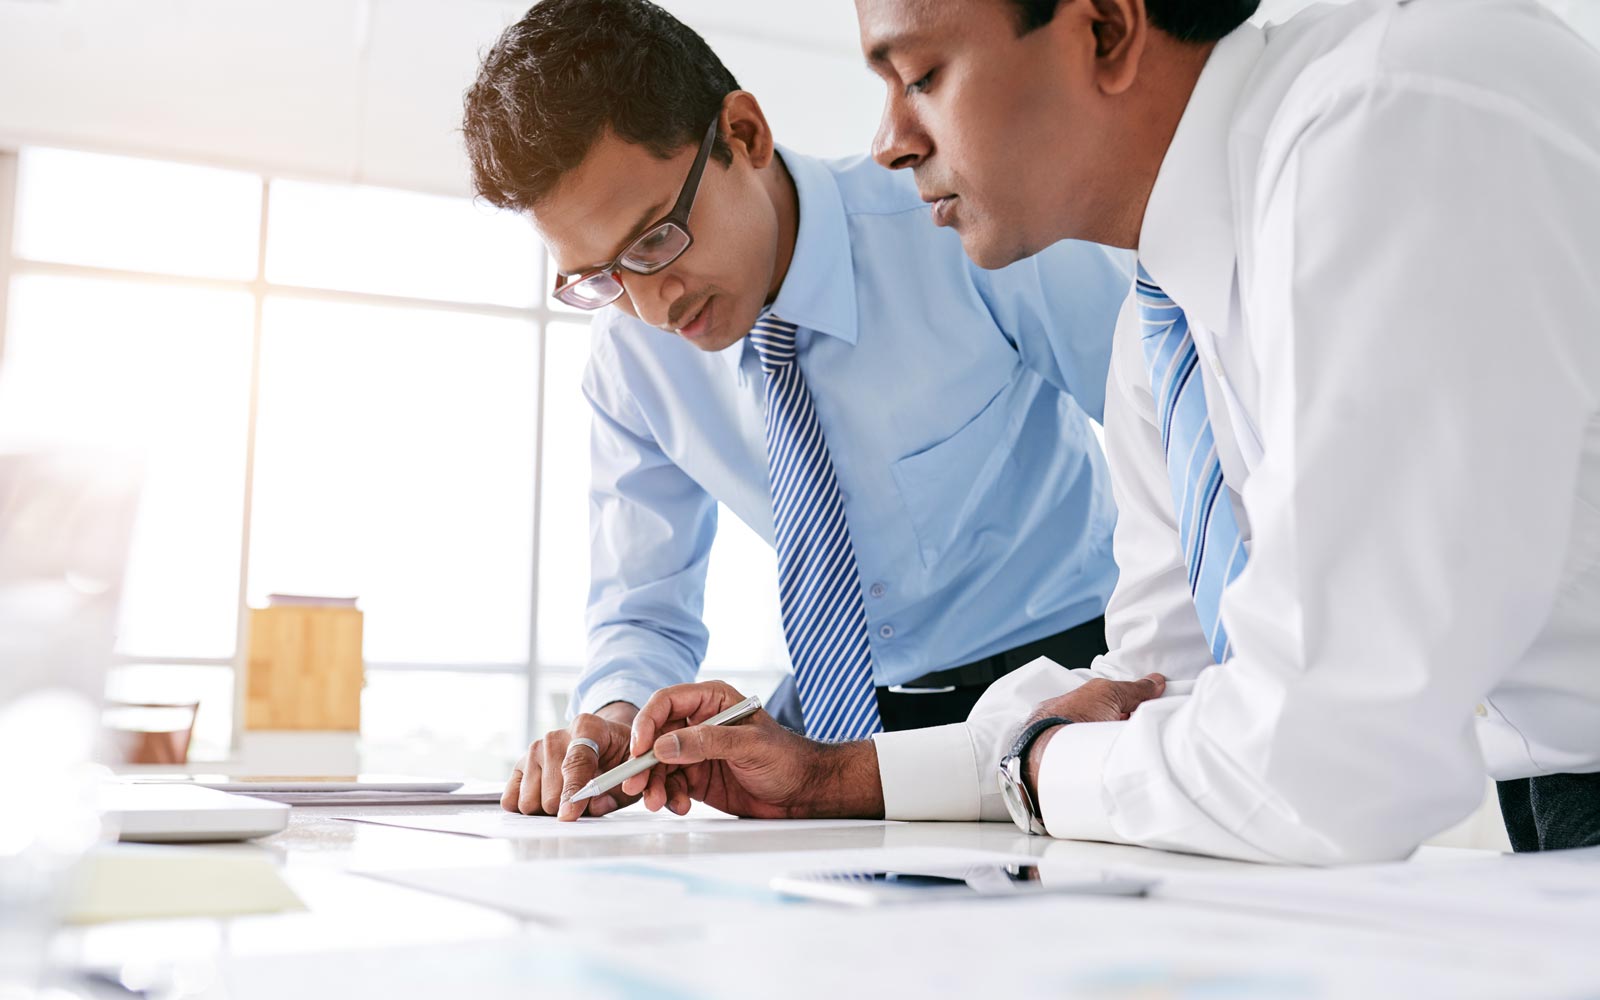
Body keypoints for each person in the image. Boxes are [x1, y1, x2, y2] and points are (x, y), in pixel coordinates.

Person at [623, 0, 1600, 863]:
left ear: (1106, 29)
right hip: (1552, 800)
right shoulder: (1158, 319)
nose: (889, 141)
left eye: (921, 75)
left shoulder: (1387, 122)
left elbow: (1317, 758)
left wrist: (1038, 762)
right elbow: (1161, 692)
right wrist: (839, 778)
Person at [461, 0, 1135, 821]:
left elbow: (1178, 431)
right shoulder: (632, 361)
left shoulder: (959, 221)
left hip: (1063, 696)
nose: (650, 305)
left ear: (744, 135)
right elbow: (642, 608)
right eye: (600, 277)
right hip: (832, 742)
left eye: (653, 241)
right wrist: (610, 719)